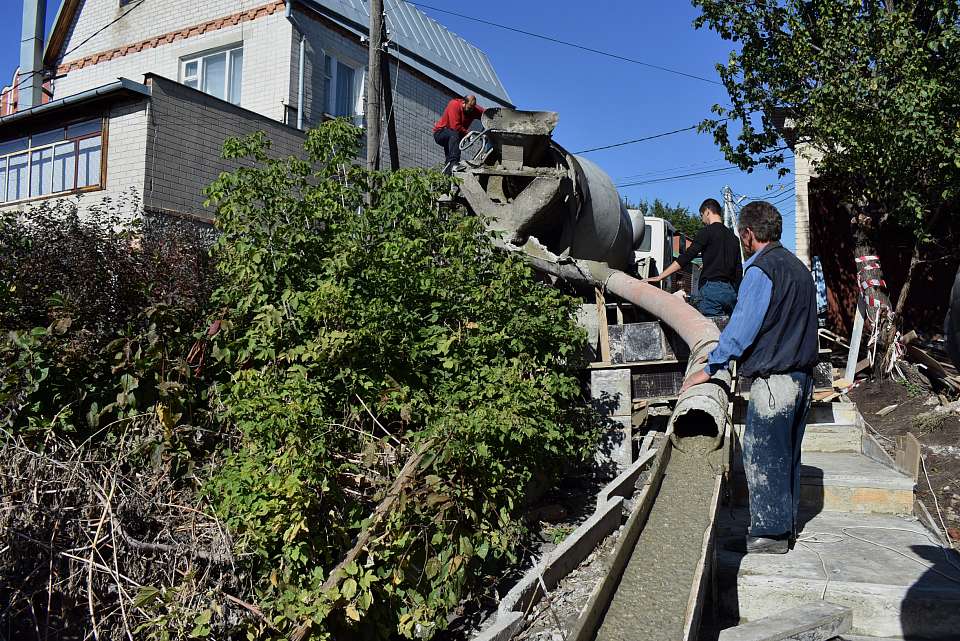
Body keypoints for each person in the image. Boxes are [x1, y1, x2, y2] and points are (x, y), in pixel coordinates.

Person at [681, 201, 818, 555]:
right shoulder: (799, 269)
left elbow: (741, 329)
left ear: (748, 234)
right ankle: (784, 529)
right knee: (788, 456)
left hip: (776, 382)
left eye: (743, 236)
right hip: (802, 378)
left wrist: (709, 368)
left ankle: (769, 535)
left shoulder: (760, 270)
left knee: (763, 454)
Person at [644, 198, 742, 316]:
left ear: (707, 211)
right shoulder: (734, 238)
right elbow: (738, 271)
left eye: (701, 215)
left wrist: (660, 276)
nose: (702, 220)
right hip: (730, 292)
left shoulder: (706, 232)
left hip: (712, 290)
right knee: (727, 326)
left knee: (710, 326)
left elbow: (686, 257)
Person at [433, 95, 485, 174]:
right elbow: (455, 126)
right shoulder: (454, 104)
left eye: (472, 108)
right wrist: (468, 134)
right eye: (469, 108)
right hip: (441, 133)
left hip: (454, 138)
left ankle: (448, 175)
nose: (471, 110)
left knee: (449, 158)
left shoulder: (473, 109)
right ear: (463, 103)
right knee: (454, 134)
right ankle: (454, 164)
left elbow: (486, 114)